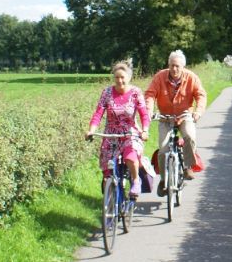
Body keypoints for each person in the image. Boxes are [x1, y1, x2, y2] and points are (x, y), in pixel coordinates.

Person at [86, 59, 150, 200]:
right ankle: (111, 195)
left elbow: (144, 114)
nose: (119, 81)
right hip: (111, 134)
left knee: (130, 156)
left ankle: (135, 181)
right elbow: (98, 114)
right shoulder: (107, 92)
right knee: (108, 169)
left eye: (122, 77)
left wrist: (145, 130)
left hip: (129, 132)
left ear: (129, 77)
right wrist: (91, 130)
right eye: (117, 78)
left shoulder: (135, 93)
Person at [145, 50, 207, 190]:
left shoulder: (192, 78)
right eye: (172, 65)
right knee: (163, 149)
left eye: (177, 66)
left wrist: (197, 112)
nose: (174, 69)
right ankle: (163, 180)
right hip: (165, 118)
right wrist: (149, 110)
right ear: (168, 65)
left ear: (183, 66)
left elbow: (201, 95)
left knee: (189, 136)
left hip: (185, 115)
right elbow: (150, 94)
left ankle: (187, 166)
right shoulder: (160, 77)